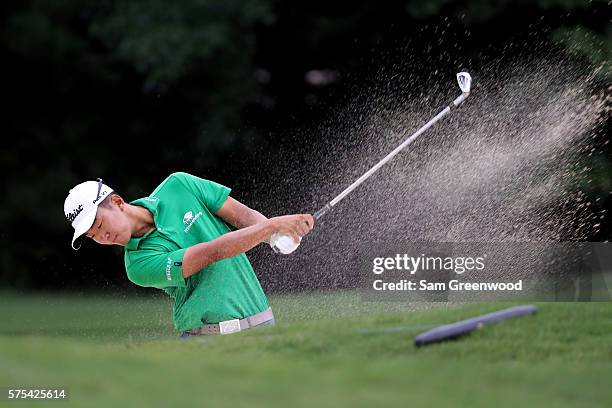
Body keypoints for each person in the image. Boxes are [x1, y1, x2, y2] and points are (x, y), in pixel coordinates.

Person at [63, 172, 314, 337]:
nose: (102, 236)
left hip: (263, 324)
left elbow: (244, 216)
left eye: (99, 224)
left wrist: (276, 237)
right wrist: (270, 227)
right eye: (92, 235)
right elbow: (211, 253)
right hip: (205, 341)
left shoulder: (179, 185)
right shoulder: (137, 265)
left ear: (117, 202)